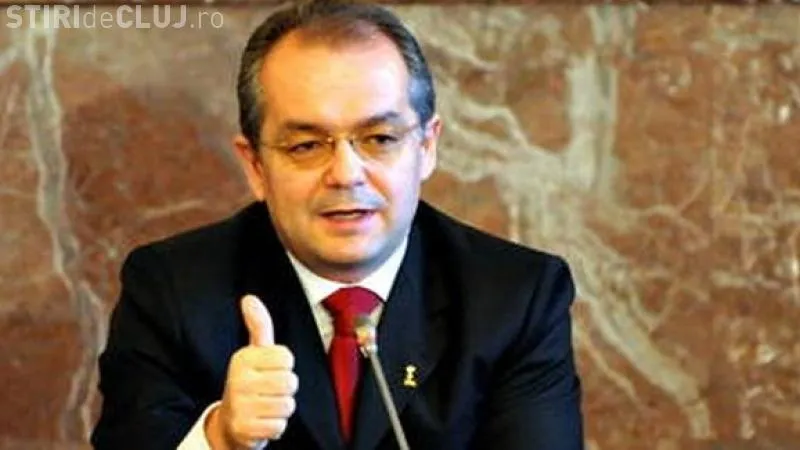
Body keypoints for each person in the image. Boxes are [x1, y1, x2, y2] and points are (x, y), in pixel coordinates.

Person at [90, 0, 584, 449]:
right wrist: (218, 438)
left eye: (380, 139)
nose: (346, 174)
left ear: (427, 146)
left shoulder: (516, 297)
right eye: (307, 146)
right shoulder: (172, 292)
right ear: (255, 166)